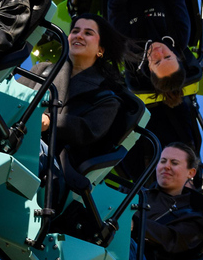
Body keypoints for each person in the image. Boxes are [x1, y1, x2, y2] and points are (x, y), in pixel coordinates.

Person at [19, 13, 128, 170]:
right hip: (15, 138)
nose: (79, 36)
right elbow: (11, 97)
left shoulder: (106, 98)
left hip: (53, 165)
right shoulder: (41, 69)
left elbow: (87, 130)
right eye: (75, 31)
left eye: (88, 33)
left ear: (101, 50)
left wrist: (50, 121)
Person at [108, 0, 191, 107]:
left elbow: (115, 7)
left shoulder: (129, 50)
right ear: (176, 56)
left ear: (150, 68)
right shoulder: (181, 36)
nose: (159, 52)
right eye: (167, 57)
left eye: (157, 61)